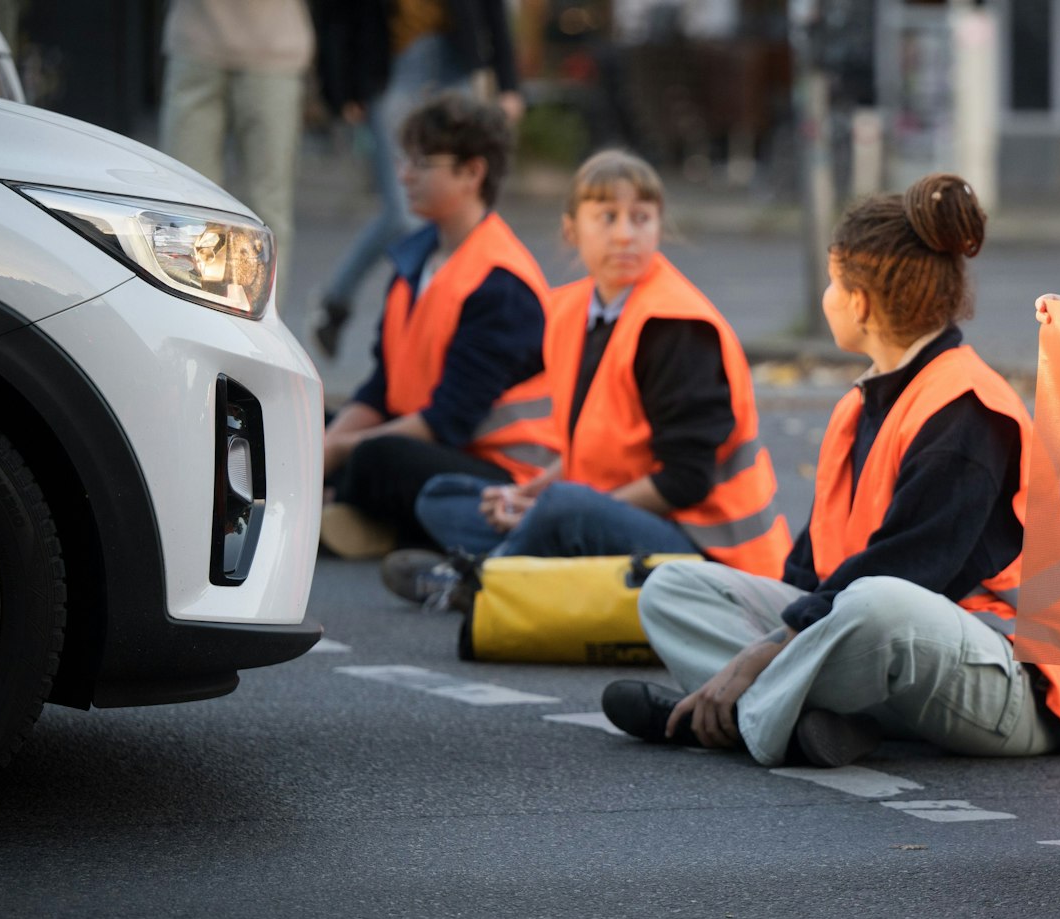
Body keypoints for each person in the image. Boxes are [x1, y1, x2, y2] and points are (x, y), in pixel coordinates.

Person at [602, 173, 1060, 769]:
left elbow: (908, 576)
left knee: (878, 603)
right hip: (901, 665)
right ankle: (806, 717)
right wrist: (776, 635)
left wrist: (756, 656)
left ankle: (738, 719)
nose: (828, 298)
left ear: (861, 303)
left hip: (1017, 683)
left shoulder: (969, 411)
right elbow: (807, 581)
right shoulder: (860, 404)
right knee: (673, 589)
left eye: (834, 283)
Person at [380, 149, 790, 606]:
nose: (624, 235)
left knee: (564, 511)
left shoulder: (675, 325)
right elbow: (593, 449)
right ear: (571, 230)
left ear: (659, 227)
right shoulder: (569, 310)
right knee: (445, 494)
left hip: (707, 556)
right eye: (607, 217)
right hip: (608, 510)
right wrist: (526, 493)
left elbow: (684, 482)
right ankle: (518, 564)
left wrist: (549, 509)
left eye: (641, 218)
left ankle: (479, 585)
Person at [321, 93, 554, 558]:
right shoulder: (417, 257)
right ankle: (361, 513)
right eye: (407, 161)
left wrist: (338, 453)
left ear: (472, 173)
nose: (405, 175)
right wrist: (323, 445)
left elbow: (447, 421)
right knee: (304, 426)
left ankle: (371, 516)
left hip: (500, 471)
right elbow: (381, 386)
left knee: (371, 457)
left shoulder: (500, 283)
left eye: (424, 164)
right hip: (423, 437)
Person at [310, 0, 526, 359]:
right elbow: (338, 15)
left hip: (454, 61)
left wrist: (508, 83)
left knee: (464, 205)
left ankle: (439, 323)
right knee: (404, 214)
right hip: (390, 66)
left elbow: (492, 9)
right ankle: (383, 321)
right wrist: (342, 87)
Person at [158, 0, 312, 299]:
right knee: (184, 204)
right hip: (196, 42)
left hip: (274, 48)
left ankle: (265, 334)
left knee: (267, 209)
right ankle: (186, 318)